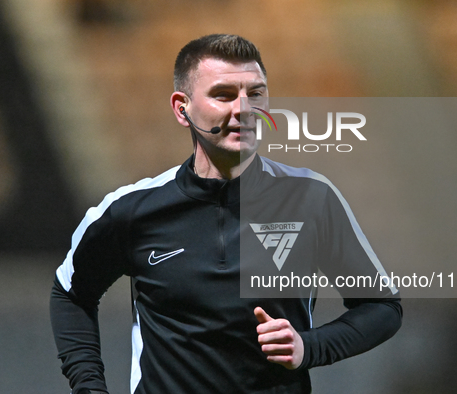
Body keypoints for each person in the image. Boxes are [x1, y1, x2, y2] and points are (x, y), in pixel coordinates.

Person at [50, 34, 402, 394]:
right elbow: (71, 294)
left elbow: (381, 306)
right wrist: (89, 388)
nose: (244, 109)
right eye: (224, 95)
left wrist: (308, 347)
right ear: (181, 108)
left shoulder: (311, 198)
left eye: (256, 93)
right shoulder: (132, 210)